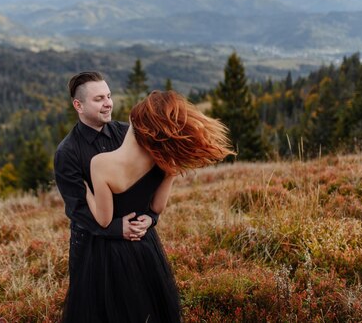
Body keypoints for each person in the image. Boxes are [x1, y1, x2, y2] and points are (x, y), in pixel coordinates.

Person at [64, 90, 235, 322]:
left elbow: (104, 220)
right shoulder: (164, 160)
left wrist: (86, 191)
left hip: (110, 255)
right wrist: (149, 219)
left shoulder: (101, 164)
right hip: (145, 247)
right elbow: (156, 206)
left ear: (136, 123)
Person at [54, 72, 159, 282]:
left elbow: (149, 181)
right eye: (99, 99)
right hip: (94, 248)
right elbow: (77, 208)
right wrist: (117, 229)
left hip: (138, 239)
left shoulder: (129, 134)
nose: (108, 103)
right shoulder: (68, 152)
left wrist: (151, 218)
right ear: (78, 105)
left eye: (109, 96)